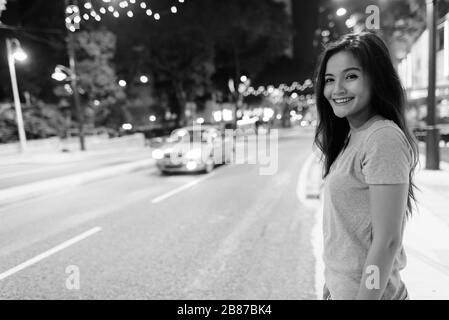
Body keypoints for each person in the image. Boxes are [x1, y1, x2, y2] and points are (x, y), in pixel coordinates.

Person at [313, 32, 419, 300]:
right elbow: (347, 231)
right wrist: (333, 283)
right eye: (329, 79)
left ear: (376, 79)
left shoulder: (382, 138)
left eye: (351, 76)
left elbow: (387, 241)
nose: (336, 89)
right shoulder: (353, 136)